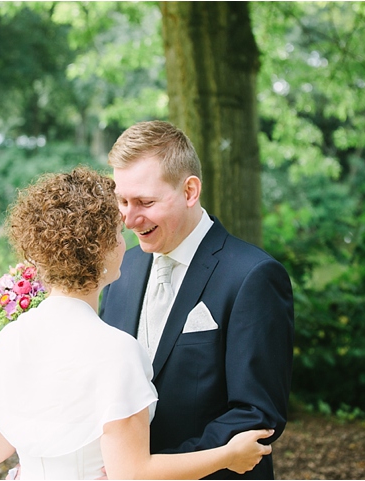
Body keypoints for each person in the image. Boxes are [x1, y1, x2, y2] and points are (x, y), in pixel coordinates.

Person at [0, 167, 274, 480]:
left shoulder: (8, 339)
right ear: (103, 251)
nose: (125, 240)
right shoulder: (117, 350)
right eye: (117, 233)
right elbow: (131, 473)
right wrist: (228, 455)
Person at [99, 121, 295, 479]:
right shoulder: (119, 271)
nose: (129, 219)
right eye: (122, 201)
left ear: (190, 191)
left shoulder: (254, 276)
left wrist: (158, 470)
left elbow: (256, 414)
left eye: (145, 202)